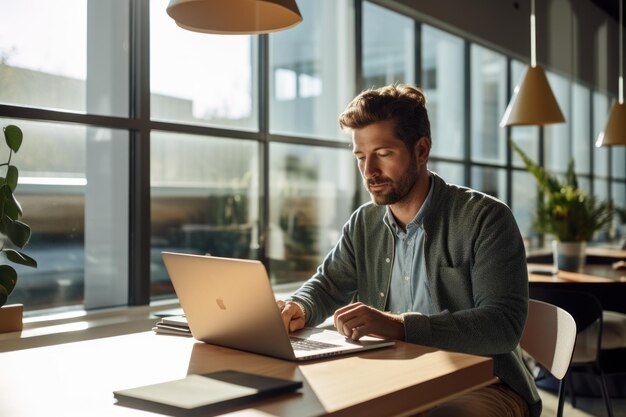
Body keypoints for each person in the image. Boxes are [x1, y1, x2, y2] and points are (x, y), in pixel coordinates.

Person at [277, 84, 541, 417]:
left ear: (421, 149)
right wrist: (299, 305)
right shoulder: (364, 222)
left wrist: (400, 327)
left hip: (485, 382)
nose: (369, 171)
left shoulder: (484, 218)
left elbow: (502, 326)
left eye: (383, 154)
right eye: (361, 156)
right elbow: (326, 286)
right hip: (392, 377)